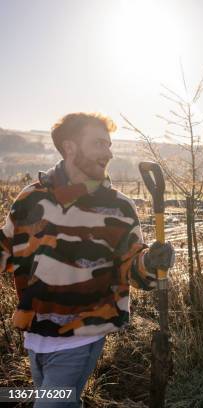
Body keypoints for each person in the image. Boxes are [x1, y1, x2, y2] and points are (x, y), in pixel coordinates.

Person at [0, 112, 175, 407]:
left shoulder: (118, 206)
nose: (109, 153)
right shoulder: (31, 198)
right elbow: (5, 249)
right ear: (70, 147)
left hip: (82, 333)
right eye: (99, 144)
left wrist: (150, 262)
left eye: (109, 145)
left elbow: (130, 268)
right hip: (36, 332)